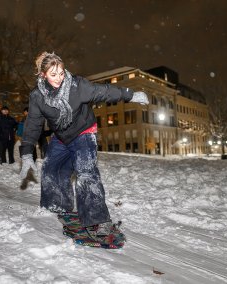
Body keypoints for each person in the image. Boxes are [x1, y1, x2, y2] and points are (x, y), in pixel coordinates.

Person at [19, 51, 149, 244]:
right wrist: (27, 153)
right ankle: (57, 205)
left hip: (84, 133)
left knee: (86, 172)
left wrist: (130, 95)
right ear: (43, 75)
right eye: (53, 75)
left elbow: (103, 91)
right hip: (62, 136)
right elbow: (33, 124)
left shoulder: (77, 85)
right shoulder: (37, 96)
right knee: (51, 168)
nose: (59, 78)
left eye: (61, 73)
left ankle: (98, 221)